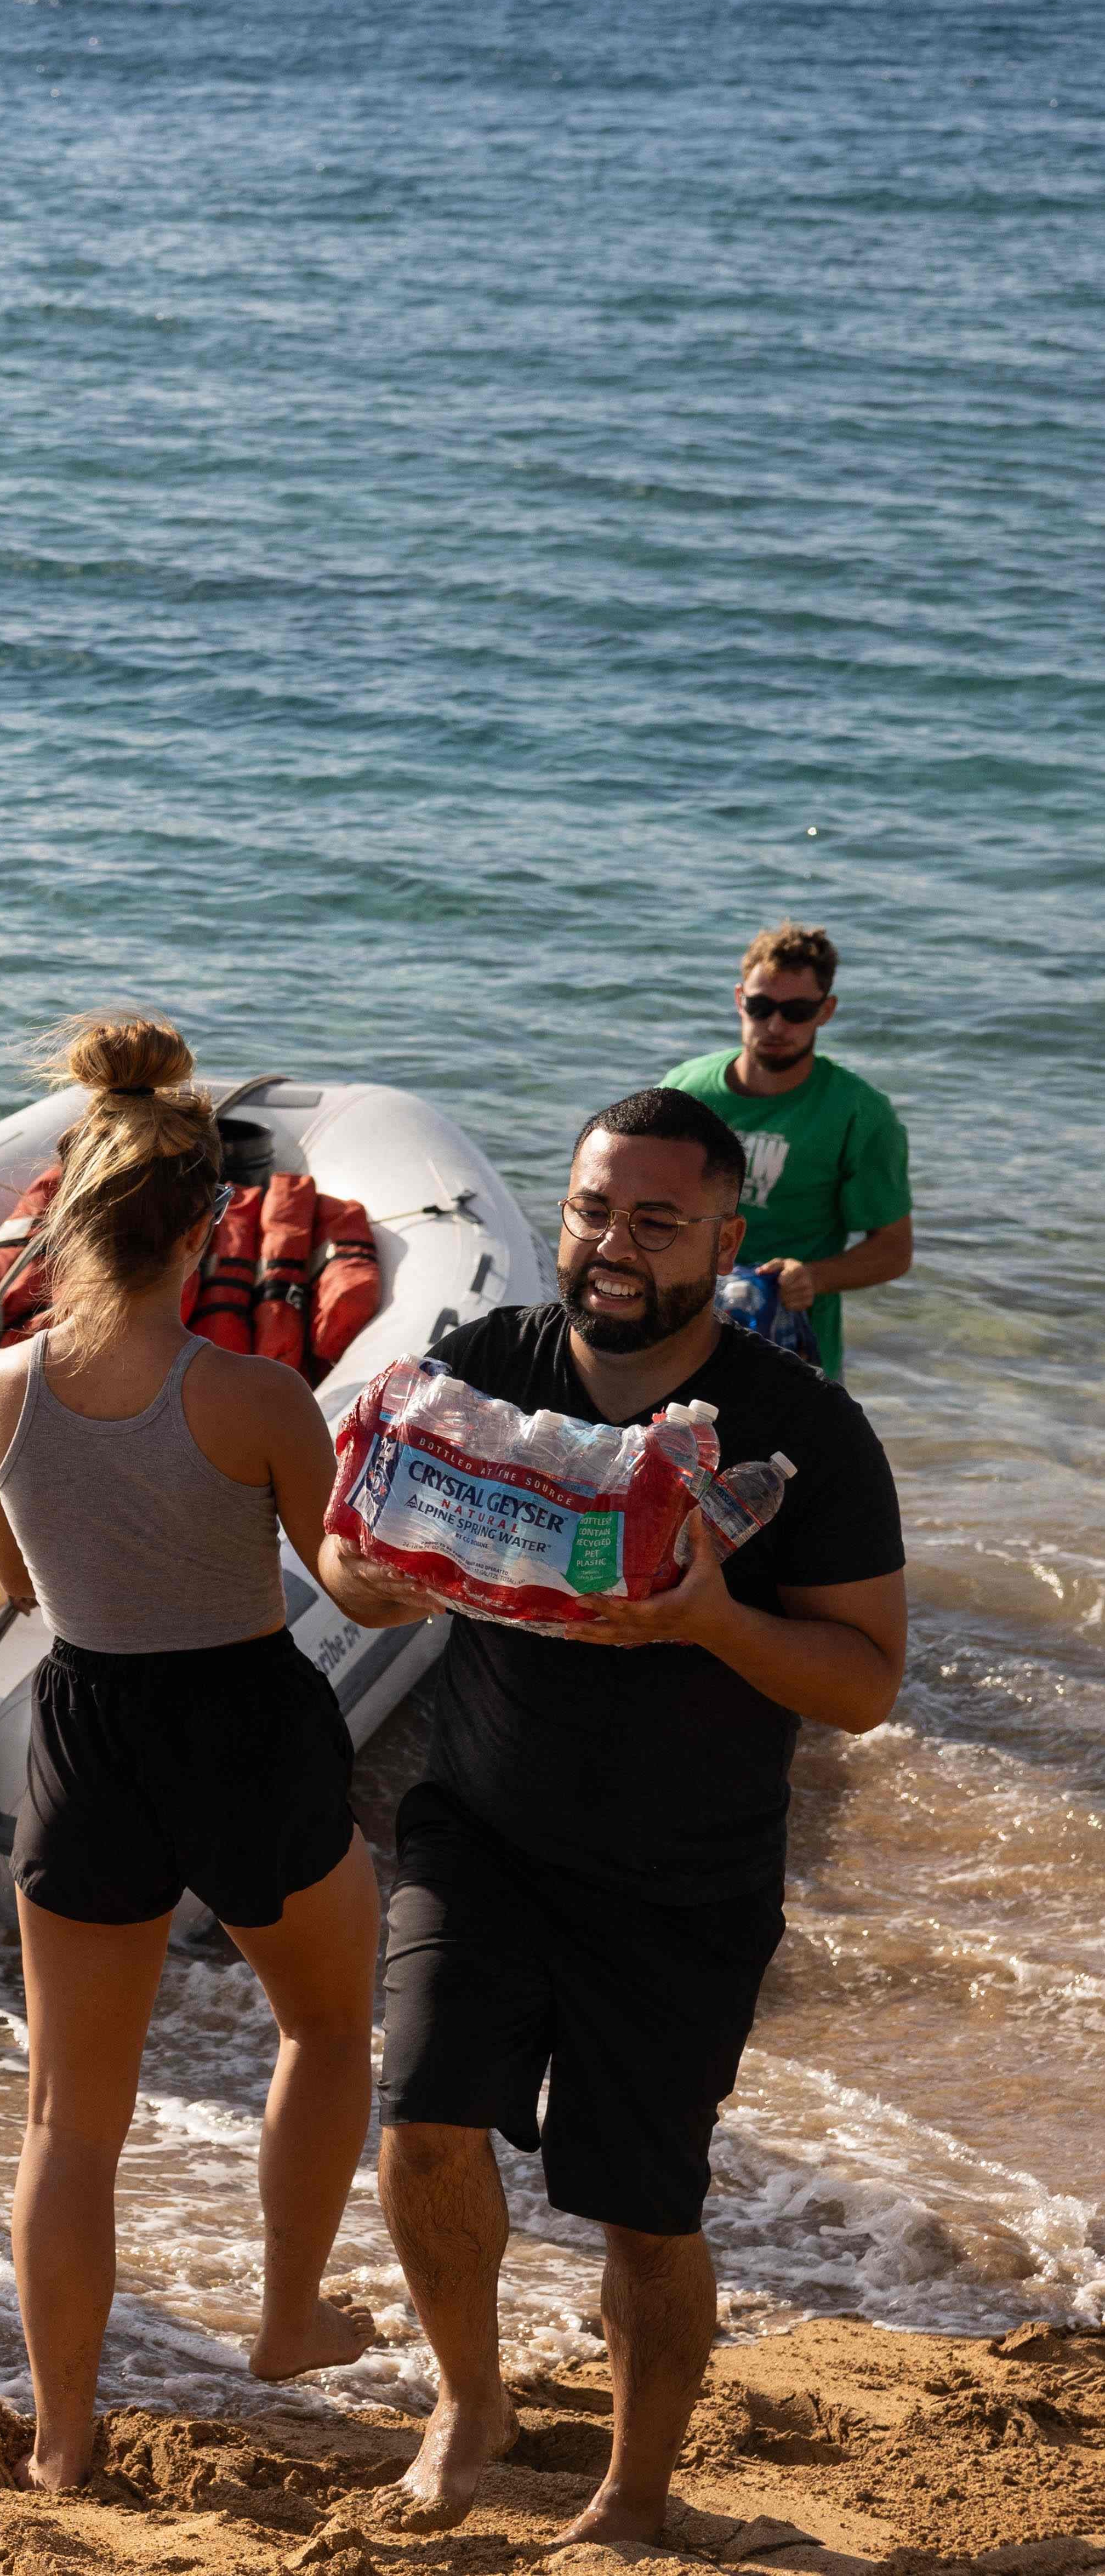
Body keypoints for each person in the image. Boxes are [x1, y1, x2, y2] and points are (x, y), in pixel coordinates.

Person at [328, 1088, 904, 2549]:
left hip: (680, 1875)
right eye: (590, 1208)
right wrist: (368, 1580)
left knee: (643, 2208)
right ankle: (468, 2399)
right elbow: (347, 1548)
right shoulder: (484, 1366)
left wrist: (704, 1622)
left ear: (724, 1236)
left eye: (655, 1221)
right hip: (476, 1821)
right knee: (419, 2120)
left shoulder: (800, 1435)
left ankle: (632, 2492)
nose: (609, 1245)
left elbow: (859, 1683)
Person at [0, 1017, 425, 2493]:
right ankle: (284, 2319)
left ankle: (59, 2439)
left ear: (67, 1211)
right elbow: (340, 1582)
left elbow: (1, 1584)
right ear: (212, 1223)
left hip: (85, 1733)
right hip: (243, 1724)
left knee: (64, 2120)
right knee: (317, 2027)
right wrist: (416, 1575)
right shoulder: (253, 1395)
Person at [660, 921, 913, 1381]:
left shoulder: (860, 1114)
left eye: (797, 1011)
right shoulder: (684, 1092)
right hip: (679, 1326)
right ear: (739, 1000)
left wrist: (812, 1278)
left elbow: (893, 1250)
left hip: (791, 1347)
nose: (775, 1025)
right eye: (760, 1007)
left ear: (826, 1010)